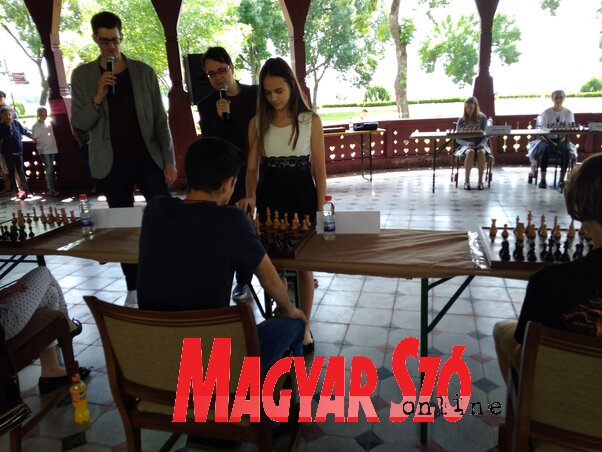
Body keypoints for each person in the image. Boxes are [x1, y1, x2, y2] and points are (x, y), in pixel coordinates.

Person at [137, 136, 306, 371]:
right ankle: (280, 389)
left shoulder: (154, 209)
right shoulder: (230, 220)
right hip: (209, 367)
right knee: (296, 324)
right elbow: (269, 280)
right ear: (227, 184)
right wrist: (290, 310)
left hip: (155, 356)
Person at [70, 11, 177, 305]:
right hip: (111, 165)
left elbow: (160, 121)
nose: (111, 47)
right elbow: (79, 124)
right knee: (123, 228)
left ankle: (170, 277)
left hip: (148, 159)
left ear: (121, 37)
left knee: (165, 218)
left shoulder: (143, 72)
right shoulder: (82, 76)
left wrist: (169, 160)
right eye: (104, 41)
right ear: (95, 39)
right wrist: (98, 96)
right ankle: (133, 287)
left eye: (115, 40)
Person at [237, 57, 327, 354]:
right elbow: (252, 168)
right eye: (267, 93)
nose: (273, 98)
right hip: (270, 197)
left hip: (302, 196)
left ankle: (305, 326)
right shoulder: (257, 123)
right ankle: (285, 315)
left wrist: (320, 211)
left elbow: (320, 171)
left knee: (304, 266)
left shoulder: (310, 120)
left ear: (291, 85)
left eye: (279, 91)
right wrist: (251, 195)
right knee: (272, 264)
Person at [493, 153, 602, 382]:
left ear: (581, 202)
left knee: (505, 333)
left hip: (567, 388)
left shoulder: (549, 282)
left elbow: (524, 350)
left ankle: (523, 404)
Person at [197, 46, 258, 303]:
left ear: (231, 67)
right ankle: (242, 280)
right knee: (238, 227)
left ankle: (285, 273)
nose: (218, 77)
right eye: (211, 74)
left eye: (221, 70)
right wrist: (219, 117)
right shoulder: (207, 105)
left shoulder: (255, 94)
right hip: (231, 177)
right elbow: (210, 143)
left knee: (270, 223)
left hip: (262, 168)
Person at [0, 267, 89, 394]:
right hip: (4, 323)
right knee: (43, 272)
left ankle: (51, 371)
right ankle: (68, 325)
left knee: (50, 293)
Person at [526, 90, 577, 189]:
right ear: (552, 99)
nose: (558, 100)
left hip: (562, 139)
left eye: (560, 97)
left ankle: (561, 180)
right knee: (545, 150)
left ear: (564, 98)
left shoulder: (568, 113)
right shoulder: (546, 113)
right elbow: (542, 130)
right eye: (556, 97)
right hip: (546, 139)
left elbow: (570, 129)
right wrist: (550, 141)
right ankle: (543, 179)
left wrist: (561, 140)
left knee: (566, 151)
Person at [454, 96, 490, 191]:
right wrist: (467, 143)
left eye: (471, 108)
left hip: (480, 144)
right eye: (466, 108)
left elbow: (486, 135)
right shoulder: (461, 120)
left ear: (475, 107)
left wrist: (482, 143)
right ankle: (467, 181)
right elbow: (458, 139)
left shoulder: (482, 118)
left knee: (481, 152)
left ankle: (480, 181)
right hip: (466, 145)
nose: (468, 110)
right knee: (470, 152)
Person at [0, 107, 31, 200]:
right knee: (11, 172)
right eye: (5, 115)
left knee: (21, 171)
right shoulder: (1, 127)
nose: (8, 116)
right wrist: (8, 126)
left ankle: (26, 190)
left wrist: (33, 136)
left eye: (9, 114)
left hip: (18, 151)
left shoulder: (16, 123)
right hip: (7, 152)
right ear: (1, 116)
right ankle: (16, 191)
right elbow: (5, 138)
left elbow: (24, 131)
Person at [31, 107, 60, 196]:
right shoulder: (35, 126)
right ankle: (50, 188)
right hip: (44, 150)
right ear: (38, 115)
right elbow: (34, 139)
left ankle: (51, 188)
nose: (44, 116)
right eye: (42, 114)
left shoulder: (48, 123)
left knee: (50, 169)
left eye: (45, 114)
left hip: (52, 148)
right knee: (49, 169)